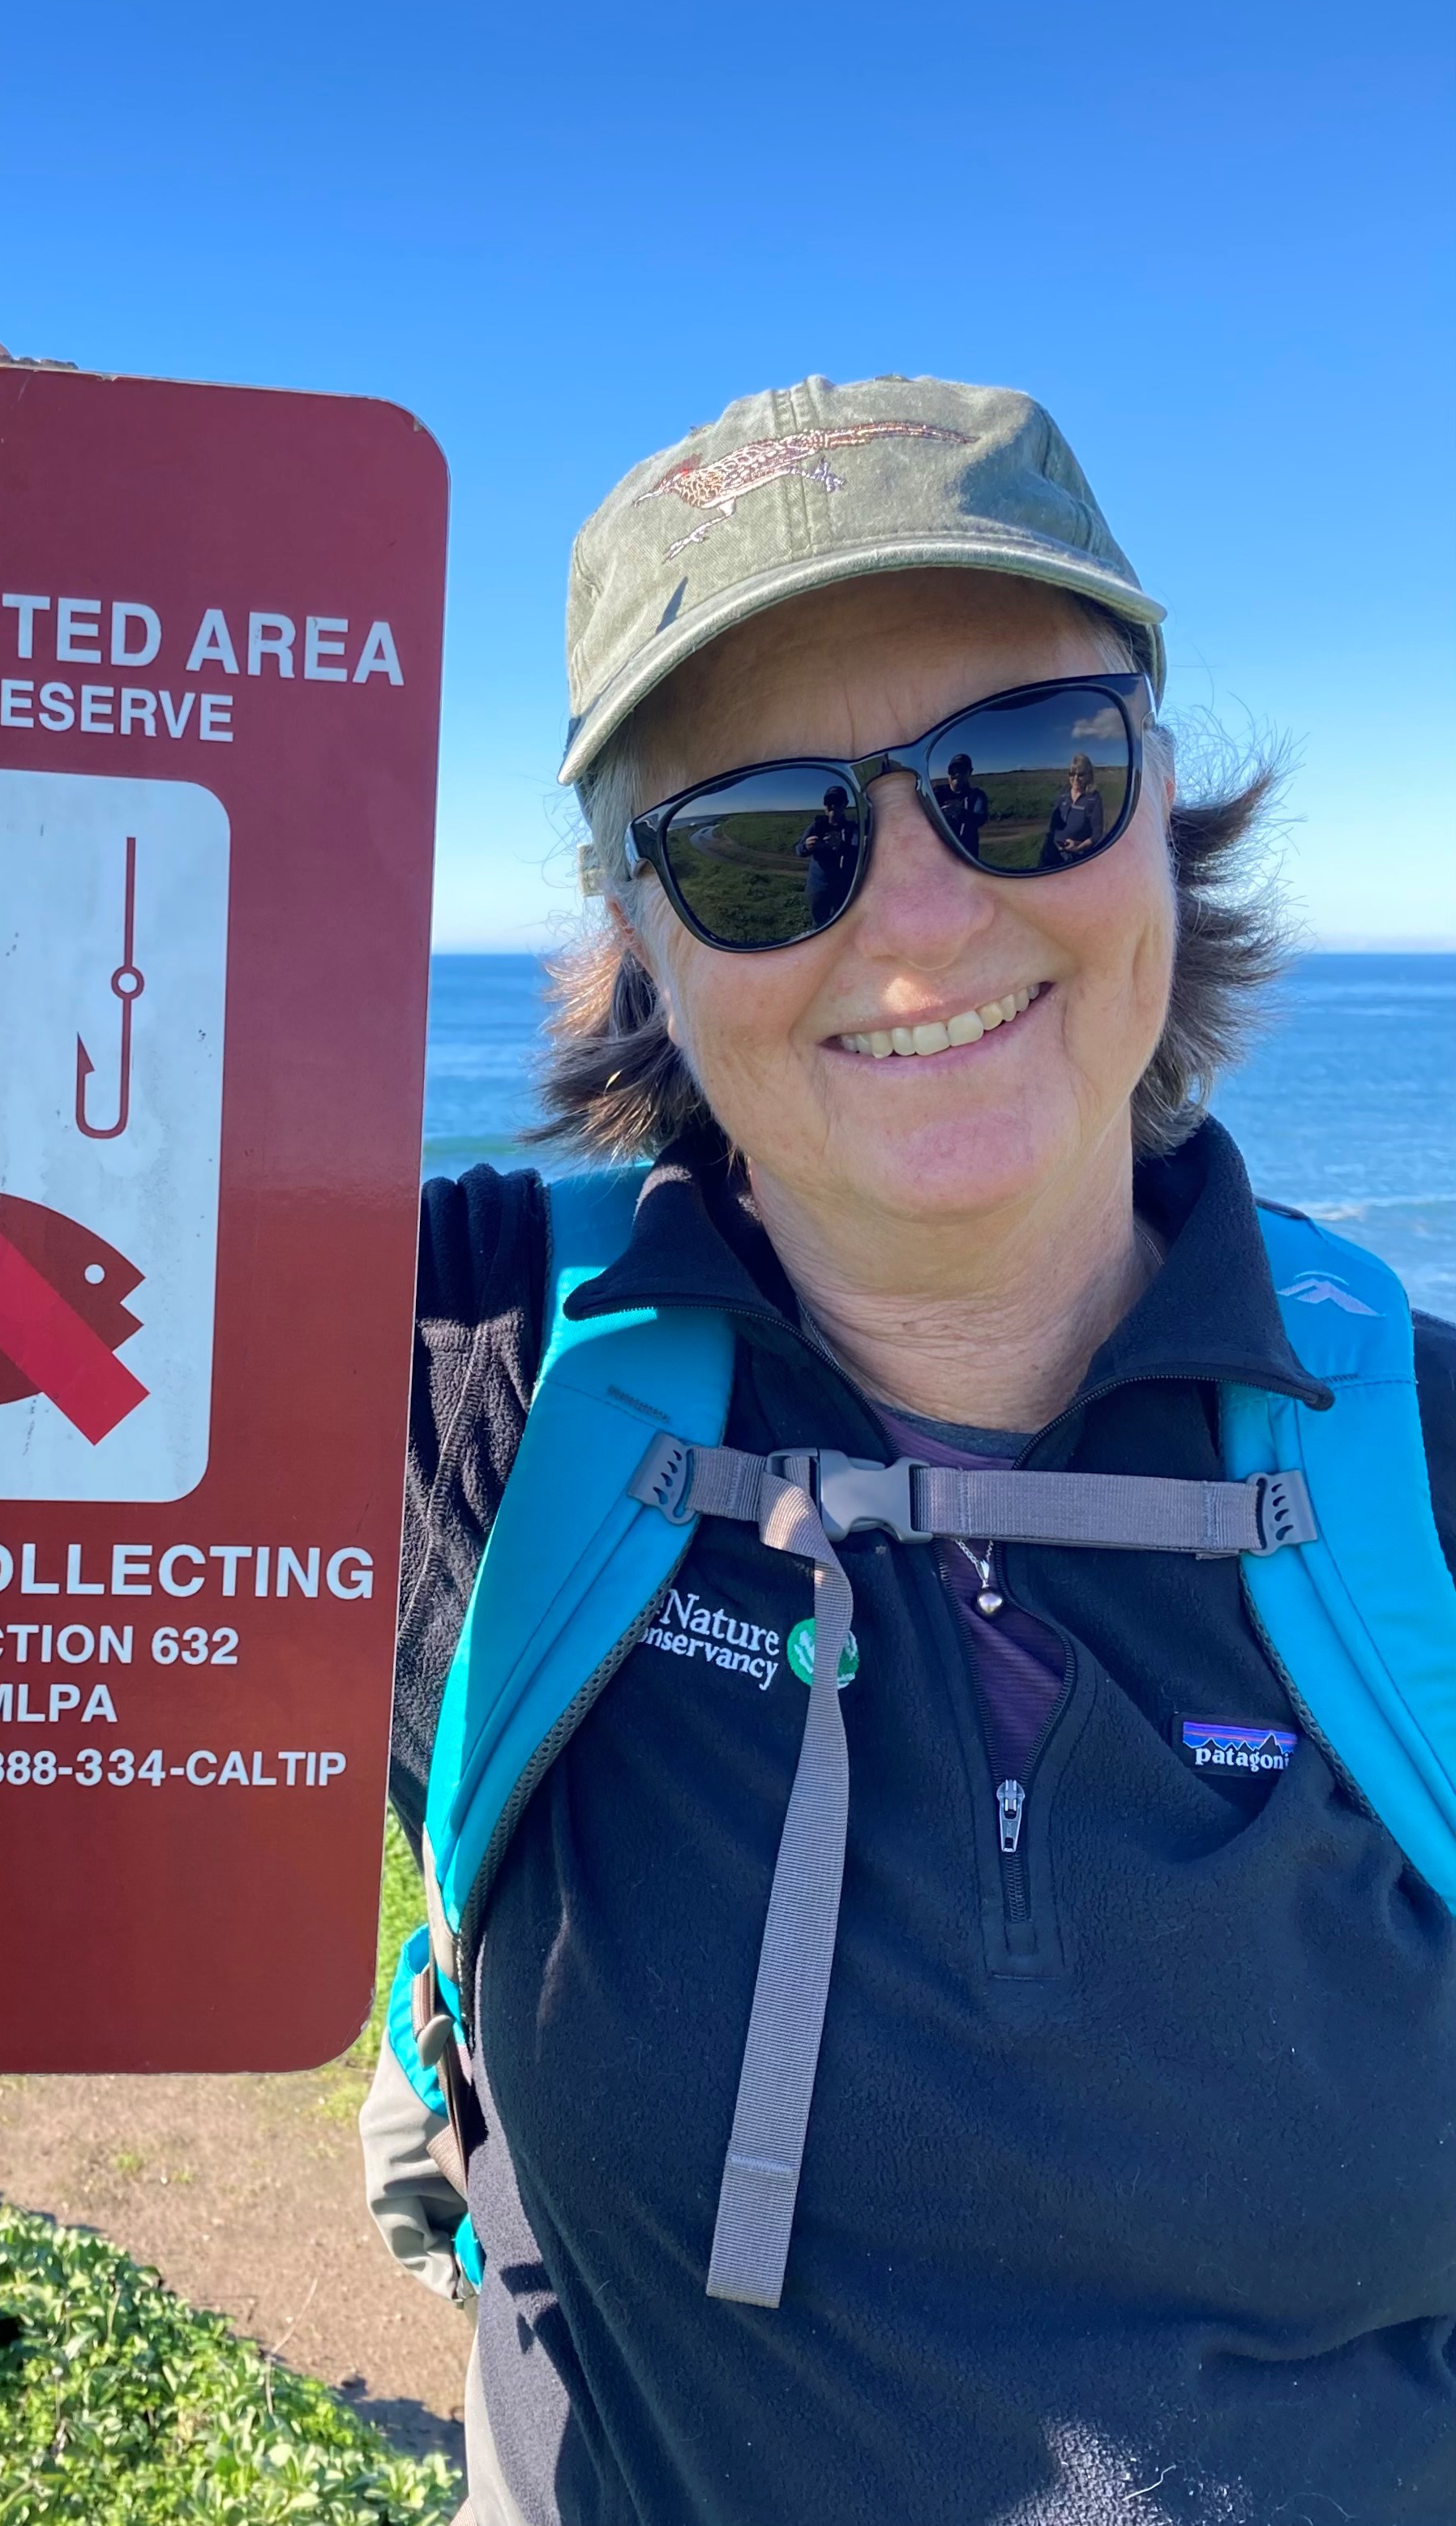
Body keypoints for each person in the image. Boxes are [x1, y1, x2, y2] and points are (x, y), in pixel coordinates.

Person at [375, 377, 1456, 2524]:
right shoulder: (486, 1384)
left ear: (1156, 805)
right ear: (638, 944)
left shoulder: (1417, 1461)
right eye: (768, 845)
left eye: (1022, 783)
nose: (919, 921)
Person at [790, 784, 858, 928]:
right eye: (828, 803)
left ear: (845, 804)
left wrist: (841, 845)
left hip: (843, 886)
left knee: (843, 923)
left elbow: (858, 853)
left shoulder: (852, 828)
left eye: (837, 802)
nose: (832, 806)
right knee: (819, 925)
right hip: (818, 886)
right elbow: (798, 850)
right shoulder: (816, 826)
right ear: (824, 805)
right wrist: (806, 847)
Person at [1041, 748, 1104, 868]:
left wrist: (1078, 847)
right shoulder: (1062, 795)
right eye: (1072, 774)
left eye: (1080, 775)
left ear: (1089, 775)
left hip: (1075, 860)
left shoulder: (1093, 799)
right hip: (1052, 855)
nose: (1075, 779)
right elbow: (1051, 829)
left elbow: (1097, 834)